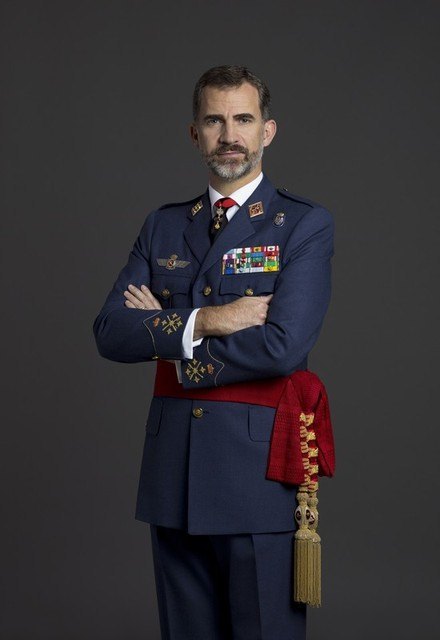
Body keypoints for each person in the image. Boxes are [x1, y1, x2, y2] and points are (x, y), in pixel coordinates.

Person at [93, 65, 334, 640]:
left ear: (267, 131)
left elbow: (282, 345)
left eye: (243, 119)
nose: (230, 135)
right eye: (214, 121)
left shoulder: (302, 224)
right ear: (195, 133)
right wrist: (211, 320)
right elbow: (110, 331)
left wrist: (169, 337)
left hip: (255, 477)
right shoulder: (163, 226)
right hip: (173, 474)